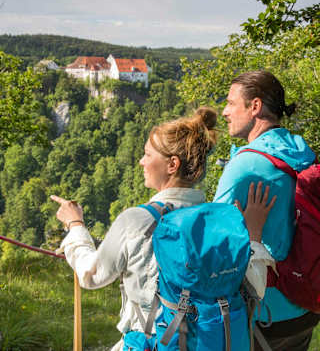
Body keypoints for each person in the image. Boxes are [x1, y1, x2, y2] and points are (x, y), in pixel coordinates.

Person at [52, 107, 274, 351]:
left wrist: (75, 226)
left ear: (172, 164)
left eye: (147, 155)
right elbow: (255, 289)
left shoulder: (136, 221)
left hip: (152, 342)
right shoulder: (220, 223)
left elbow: (91, 275)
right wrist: (254, 237)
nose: (141, 161)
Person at [213, 70, 320, 351]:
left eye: (231, 103)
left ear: (255, 106)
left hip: (264, 314)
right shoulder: (302, 152)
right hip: (305, 306)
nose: (224, 112)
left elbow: (214, 247)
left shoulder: (244, 166)